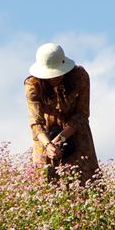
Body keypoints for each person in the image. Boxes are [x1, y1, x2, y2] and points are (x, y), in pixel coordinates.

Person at [24, 43, 99, 184]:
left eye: (57, 74)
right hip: (45, 136)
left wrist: (60, 139)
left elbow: (82, 114)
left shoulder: (80, 77)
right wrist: (49, 145)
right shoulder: (32, 85)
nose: (54, 78)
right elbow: (36, 122)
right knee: (44, 181)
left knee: (85, 182)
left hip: (75, 131)